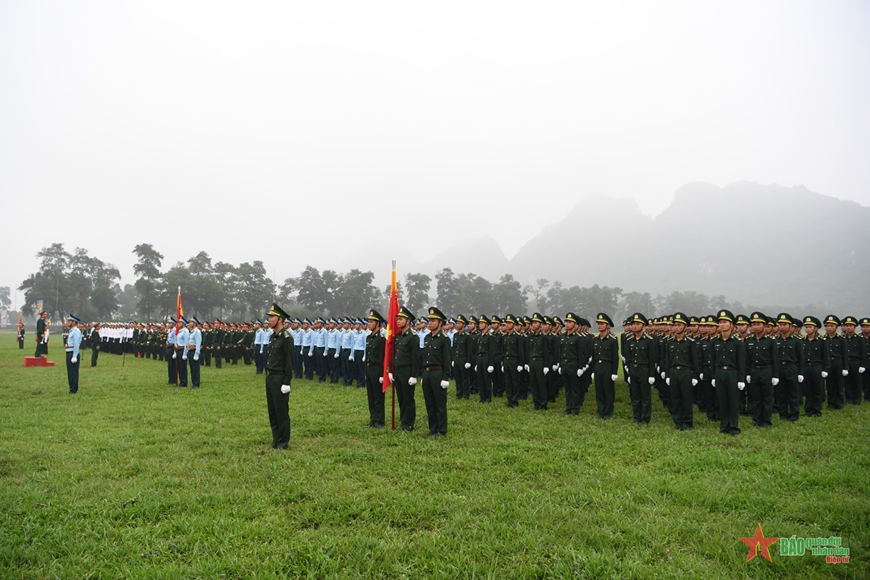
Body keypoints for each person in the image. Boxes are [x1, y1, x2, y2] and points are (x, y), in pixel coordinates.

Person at [711, 310, 746, 436]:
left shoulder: (737, 343)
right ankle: (723, 426)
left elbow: (742, 362)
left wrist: (741, 379)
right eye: (720, 322)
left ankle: (734, 427)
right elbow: (713, 361)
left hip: (732, 373)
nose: (722, 325)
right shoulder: (715, 342)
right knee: (722, 400)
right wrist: (713, 376)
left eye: (725, 322)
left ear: (731, 325)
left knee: (733, 401)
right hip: (720, 372)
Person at [263, 304, 294, 449]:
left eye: (272, 317)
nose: (269, 320)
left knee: (281, 411)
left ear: (280, 319)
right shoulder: (273, 337)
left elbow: (289, 361)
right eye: (269, 317)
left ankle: (283, 441)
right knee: (272, 411)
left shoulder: (287, 338)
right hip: (270, 377)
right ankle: (276, 439)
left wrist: (287, 381)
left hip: (280, 378)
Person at [421, 306, 452, 437]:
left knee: (439, 403)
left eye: (433, 320)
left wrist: (445, 377)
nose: (430, 322)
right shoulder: (427, 337)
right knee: (429, 402)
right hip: (427, 373)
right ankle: (433, 428)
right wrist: (423, 374)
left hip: (438, 373)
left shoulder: (444, 339)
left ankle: (442, 430)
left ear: (440, 323)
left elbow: (447, 359)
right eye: (429, 320)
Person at [664, 312, 698, 430]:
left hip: (685, 372)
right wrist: (668, 374)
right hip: (674, 372)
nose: (677, 327)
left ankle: (687, 423)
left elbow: (695, 360)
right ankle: (678, 421)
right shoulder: (670, 342)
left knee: (686, 398)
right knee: (675, 398)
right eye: (675, 325)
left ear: (685, 326)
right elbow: (667, 360)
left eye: (679, 325)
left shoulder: (690, 342)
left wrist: (695, 376)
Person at [392, 307, 420, 431]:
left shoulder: (413, 337)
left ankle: (409, 423)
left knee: (408, 399)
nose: (398, 321)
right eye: (397, 319)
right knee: (401, 399)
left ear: (408, 321)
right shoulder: (398, 336)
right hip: (398, 371)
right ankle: (403, 421)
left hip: (407, 371)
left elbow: (415, 358)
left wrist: (414, 375)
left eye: (401, 319)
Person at [626, 313, 656, 424]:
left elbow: (652, 359)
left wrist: (652, 375)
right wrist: (629, 372)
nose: (635, 326)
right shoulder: (630, 340)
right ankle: (637, 417)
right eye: (634, 324)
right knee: (635, 395)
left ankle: (645, 418)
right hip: (633, 369)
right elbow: (629, 358)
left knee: (645, 396)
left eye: (638, 324)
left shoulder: (648, 340)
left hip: (644, 369)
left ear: (643, 325)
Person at [591, 313, 619, 420]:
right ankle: (600, 410)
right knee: (599, 390)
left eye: (602, 324)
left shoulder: (612, 339)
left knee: (608, 390)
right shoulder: (595, 339)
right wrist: (593, 370)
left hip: (607, 366)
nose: (599, 326)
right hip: (598, 365)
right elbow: (593, 356)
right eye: (598, 324)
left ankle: (608, 412)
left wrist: (614, 372)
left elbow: (615, 357)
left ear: (608, 325)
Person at [364, 310, 387, 428]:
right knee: (371, 396)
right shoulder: (369, 338)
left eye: (371, 322)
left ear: (377, 324)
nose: (369, 324)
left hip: (377, 369)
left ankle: (379, 421)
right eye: (368, 321)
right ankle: (373, 420)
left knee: (378, 397)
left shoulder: (381, 339)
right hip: (369, 368)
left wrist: (382, 374)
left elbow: (383, 357)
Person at [64, 314, 82, 394]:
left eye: (69, 321)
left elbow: (76, 344)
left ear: (74, 322)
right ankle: (72, 388)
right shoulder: (71, 331)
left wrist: (75, 355)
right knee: (70, 372)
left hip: (72, 353)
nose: (67, 323)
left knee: (73, 373)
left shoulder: (76, 331)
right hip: (69, 352)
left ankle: (73, 390)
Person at [187, 317, 202, 388]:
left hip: (194, 351)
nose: (189, 323)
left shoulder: (197, 332)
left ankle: (196, 383)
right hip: (190, 351)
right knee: (192, 368)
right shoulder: (191, 332)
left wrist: (197, 354)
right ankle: (193, 382)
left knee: (195, 369)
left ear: (194, 323)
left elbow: (198, 344)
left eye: (191, 322)